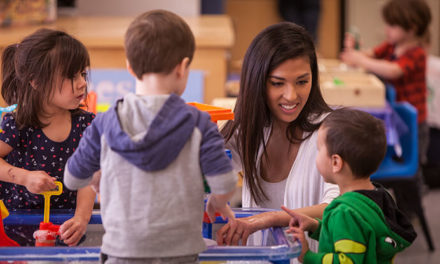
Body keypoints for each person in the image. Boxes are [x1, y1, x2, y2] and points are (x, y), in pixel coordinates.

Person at [63, 10, 237, 264]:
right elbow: (224, 183)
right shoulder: (199, 123)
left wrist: (97, 178)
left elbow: (72, 177)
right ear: (182, 67)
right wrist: (217, 203)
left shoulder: (104, 122)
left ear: (129, 67)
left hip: (122, 250)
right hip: (179, 252)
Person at [217, 22, 339, 255]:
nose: (291, 96)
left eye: (302, 81)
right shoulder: (248, 128)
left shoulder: (331, 131)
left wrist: (271, 219)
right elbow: (208, 172)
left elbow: (338, 207)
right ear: (257, 82)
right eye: (277, 83)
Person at [0, 28, 96, 246]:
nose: (82, 83)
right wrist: (24, 177)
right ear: (36, 81)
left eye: (83, 74)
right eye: (71, 76)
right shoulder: (18, 123)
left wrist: (81, 218)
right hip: (14, 228)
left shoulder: (86, 125)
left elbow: (88, 177)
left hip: (65, 227)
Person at [282, 108, 417, 263]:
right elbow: (354, 236)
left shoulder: (345, 213)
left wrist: (307, 256)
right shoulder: (377, 198)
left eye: (319, 150)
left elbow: (347, 260)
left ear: (335, 162)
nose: (316, 156)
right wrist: (314, 225)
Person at [340, 0, 431, 168]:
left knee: (411, 169)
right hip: (395, 116)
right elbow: (369, 55)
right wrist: (354, 51)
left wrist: (361, 60)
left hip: (414, 123)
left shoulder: (417, 53)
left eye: (392, 25)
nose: (386, 29)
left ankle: (414, 194)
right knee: (392, 160)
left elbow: (393, 70)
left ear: (411, 28)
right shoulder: (390, 46)